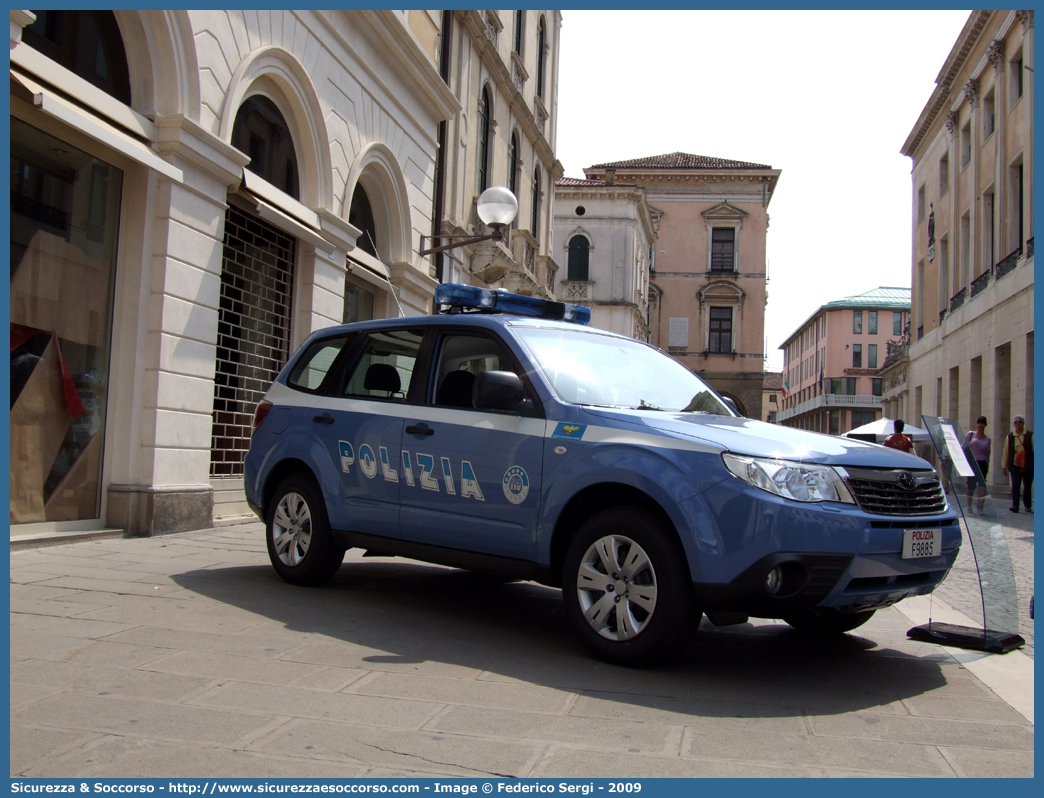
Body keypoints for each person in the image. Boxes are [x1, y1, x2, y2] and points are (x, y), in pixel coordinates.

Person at [1002, 415, 1033, 512]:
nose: (1018, 424)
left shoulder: (1030, 435)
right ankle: (1015, 505)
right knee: (1015, 485)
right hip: (1015, 464)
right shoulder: (1010, 436)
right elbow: (1006, 451)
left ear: (1023, 423)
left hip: (1028, 464)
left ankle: (1027, 505)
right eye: (1016, 422)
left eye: (1020, 422)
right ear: (1013, 424)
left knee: (1027, 485)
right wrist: (1004, 465)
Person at [963, 416, 991, 516]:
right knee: (971, 485)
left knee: (982, 486)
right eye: (979, 423)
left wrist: (987, 465)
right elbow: (964, 447)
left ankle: (980, 507)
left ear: (985, 425)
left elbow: (988, 453)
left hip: (982, 463)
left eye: (982, 423)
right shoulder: (970, 435)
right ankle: (969, 506)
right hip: (971, 462)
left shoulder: (988, 439)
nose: (980, 425)